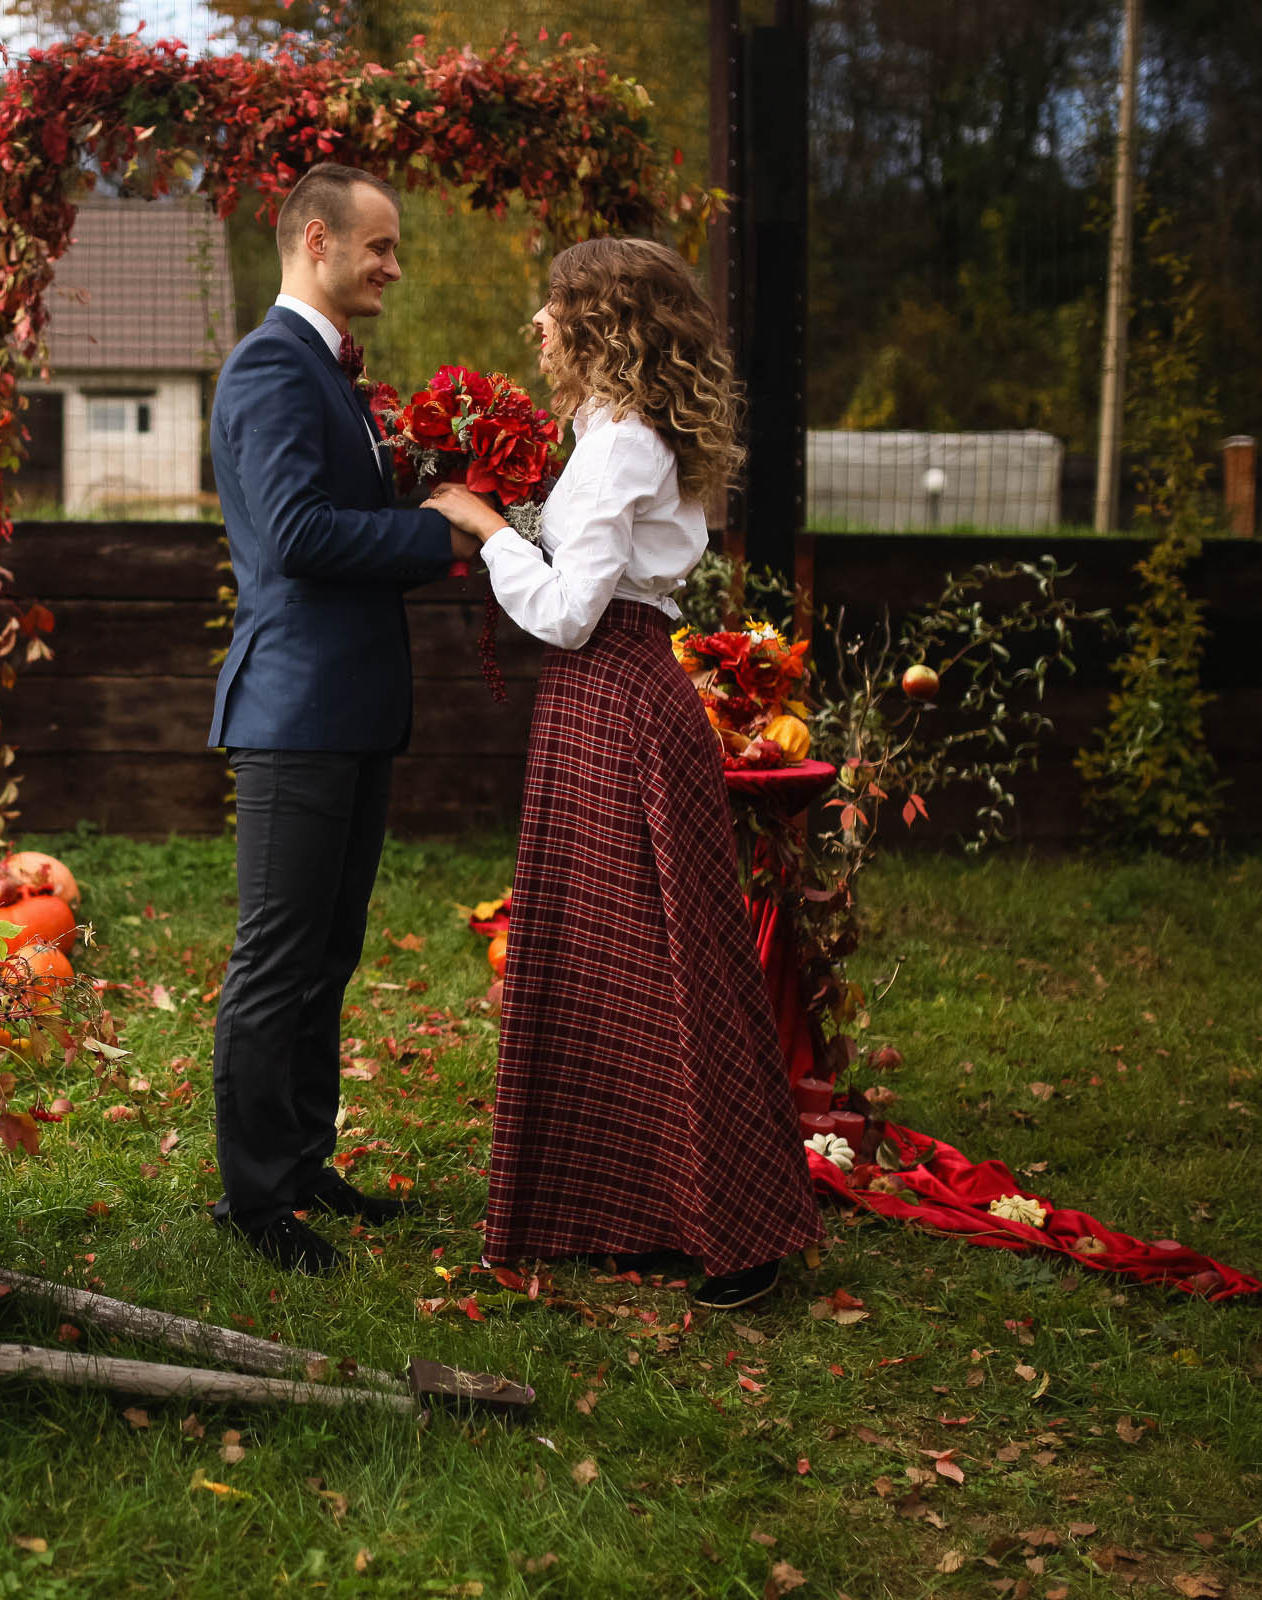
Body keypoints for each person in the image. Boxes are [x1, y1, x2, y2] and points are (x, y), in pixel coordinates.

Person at [427, 236, 819, 1310]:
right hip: (607, 699)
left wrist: (485, 525)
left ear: (602, 325)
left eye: (553, 308)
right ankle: (641, 1209)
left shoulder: (622, 447)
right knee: (613, 958)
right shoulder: (609, 434)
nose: (537, 326)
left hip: (615, 696)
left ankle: (740, 1236)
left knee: (664, 959)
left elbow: (566, 611)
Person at [205, 163, 482, 1274]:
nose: (393, 267)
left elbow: (342, 513)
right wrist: (444, 535)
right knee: (277, 957)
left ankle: (302, 1161)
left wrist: (444, 487)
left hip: (351, 707)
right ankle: (254, 1201)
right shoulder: (273, 365)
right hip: (297, 710)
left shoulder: (334, 372)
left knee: (328, 952)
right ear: (316, 241)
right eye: (380, 246)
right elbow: (298, 535)